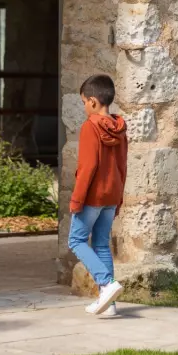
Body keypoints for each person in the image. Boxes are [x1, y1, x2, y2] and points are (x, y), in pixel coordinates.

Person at [68, 74, 127, 317]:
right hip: (112, 195)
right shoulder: (120, 128)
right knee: (101, 243)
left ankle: (106, 283)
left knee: (76, 241)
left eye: (83, 102)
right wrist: (119, 198)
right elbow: (123, 166)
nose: (83, 107)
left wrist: (76, 199)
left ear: (92, 101)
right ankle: (109, 304)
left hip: (92, 197)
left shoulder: (90, 127)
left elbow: (88, 167)